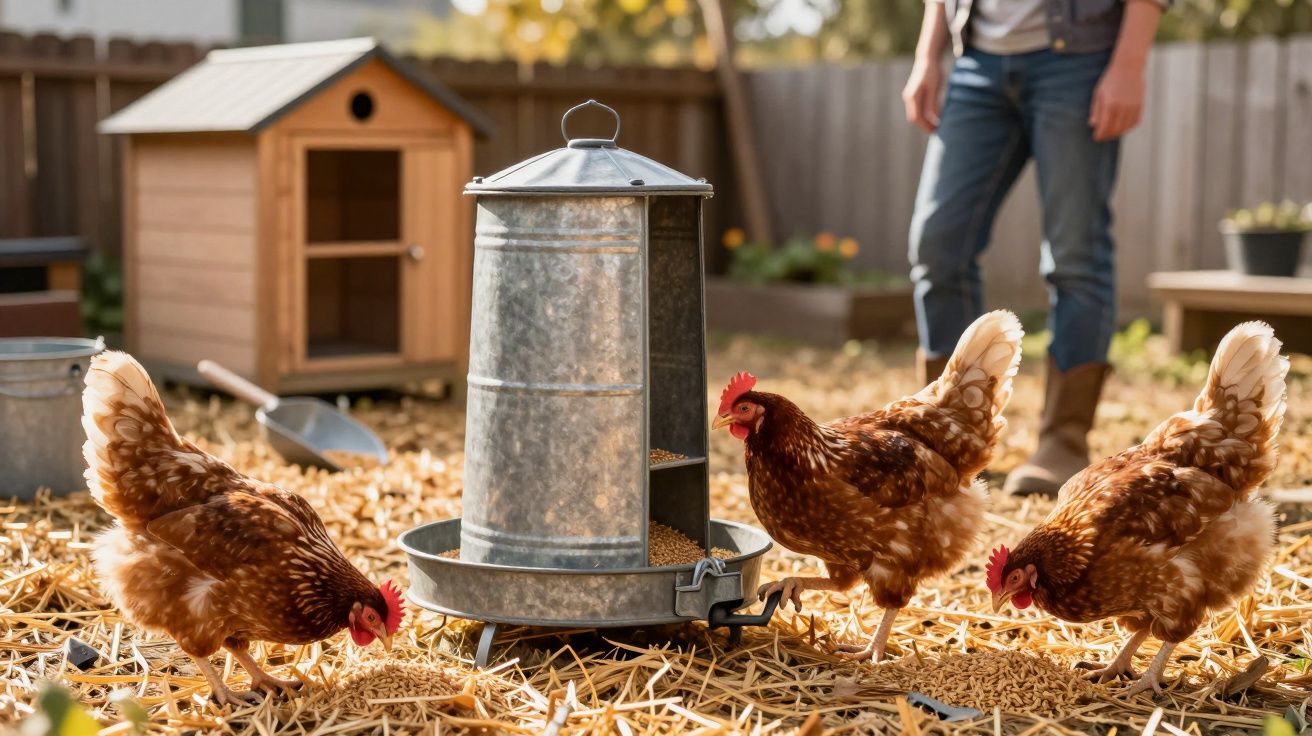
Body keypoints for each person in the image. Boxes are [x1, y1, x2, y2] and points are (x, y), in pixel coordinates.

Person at [903, 0, 1165, 495]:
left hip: (1078, 60)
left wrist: (1129, 64)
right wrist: (927, 56)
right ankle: (945, 434)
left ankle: (1063, 441)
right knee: (937, 246)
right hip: (977, 59)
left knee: (1074, 255)